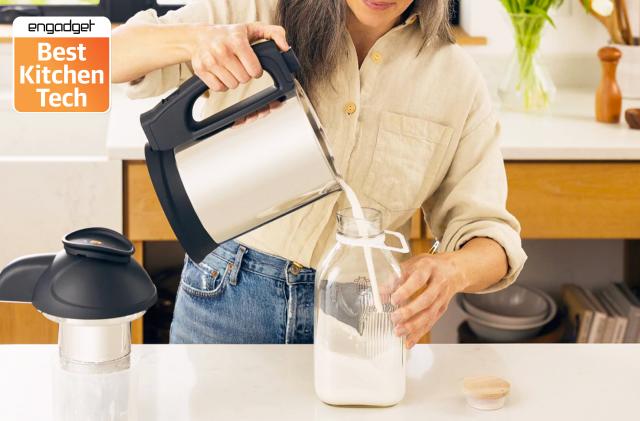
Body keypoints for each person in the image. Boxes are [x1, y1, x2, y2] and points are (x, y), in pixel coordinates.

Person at [112, 0, 527, 348]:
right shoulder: (256, 11)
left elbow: (490, 233)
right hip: (228, 295)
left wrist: (452, 271)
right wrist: (197, 41)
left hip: (361, 310)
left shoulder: (455, 78)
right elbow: (106, 57)